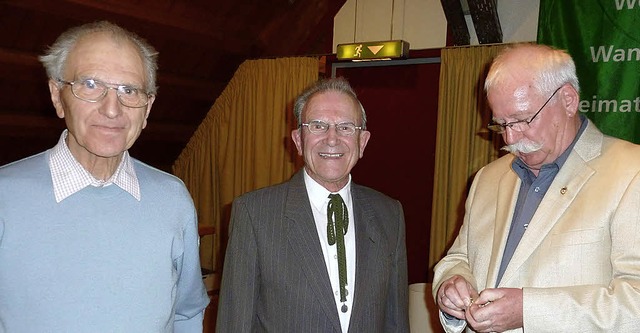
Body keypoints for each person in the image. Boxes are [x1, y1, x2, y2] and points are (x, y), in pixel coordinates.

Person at [0, 21, 209, 332]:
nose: (112, 109)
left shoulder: (173, 198)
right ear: (57, 96)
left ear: (147, 108)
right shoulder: (5, 197)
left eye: (129, 90)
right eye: (90, 85)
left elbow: (187, 312)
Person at [432, 43, 640, 332]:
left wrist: (528, 311)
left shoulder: (632, 172)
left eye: (522, 119)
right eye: (500, 124)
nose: (510, 137)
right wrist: (451, 285)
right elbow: (460, 258)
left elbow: (636, 304)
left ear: (568, 100)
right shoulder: (487, 179)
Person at [216, 77, 409, 332]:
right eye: (318, 126)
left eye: (346, 127)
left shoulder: (389, 215)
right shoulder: (254, 215)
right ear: (298, 140)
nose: (332, 139)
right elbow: (234, 325)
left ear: (362, 142)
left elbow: (396, 323)